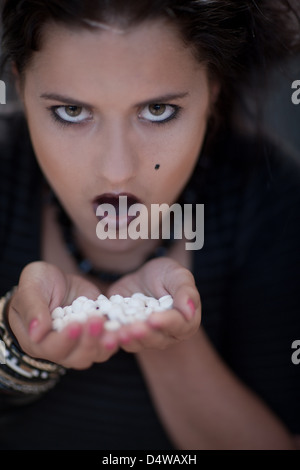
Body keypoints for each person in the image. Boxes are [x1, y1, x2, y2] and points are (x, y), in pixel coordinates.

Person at [0, 0, 299, 450]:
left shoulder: (269, 199)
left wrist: (168, 340)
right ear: (22, 90)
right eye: (72, 112)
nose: (117, 170)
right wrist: (16, 341)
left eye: (158, 110)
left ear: (213, 88)